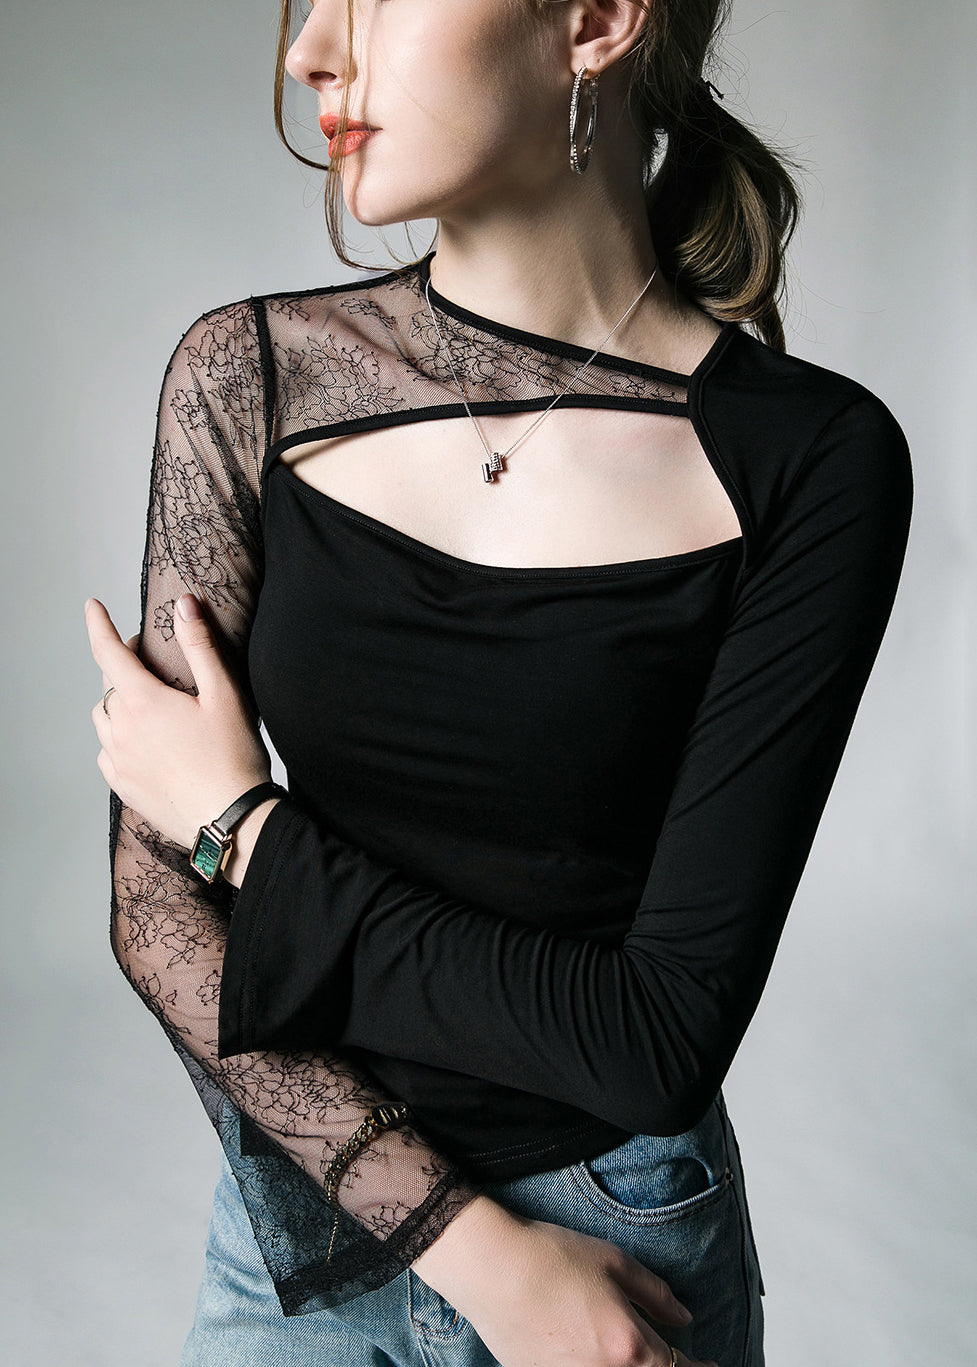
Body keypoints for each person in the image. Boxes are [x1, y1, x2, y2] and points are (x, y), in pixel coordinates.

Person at [84, 1, 912, 1364]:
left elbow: (654, 1041)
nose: (310, 51)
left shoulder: (811, 458)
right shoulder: (251, 381)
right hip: (313, 1220)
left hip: (628, 1240)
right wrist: (490, 1265)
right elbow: (157, 916)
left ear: (596, 20)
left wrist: (246, 830)